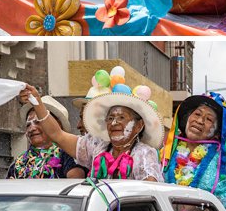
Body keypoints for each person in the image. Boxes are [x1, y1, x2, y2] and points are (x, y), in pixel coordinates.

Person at [18, 69, 164, 182]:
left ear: (139, 125)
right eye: (110, 118)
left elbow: (150, 194)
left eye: (121, 118)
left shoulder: (144, 154)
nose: (114, 123)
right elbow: (57, 135)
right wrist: (37, 101)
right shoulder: (97, 146)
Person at [8, 96, 87, 179]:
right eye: (28, 125)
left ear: (57, 125)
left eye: (38, 122)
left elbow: (74, 185)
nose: (32, 128)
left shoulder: (70, 154)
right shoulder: (18, 164)